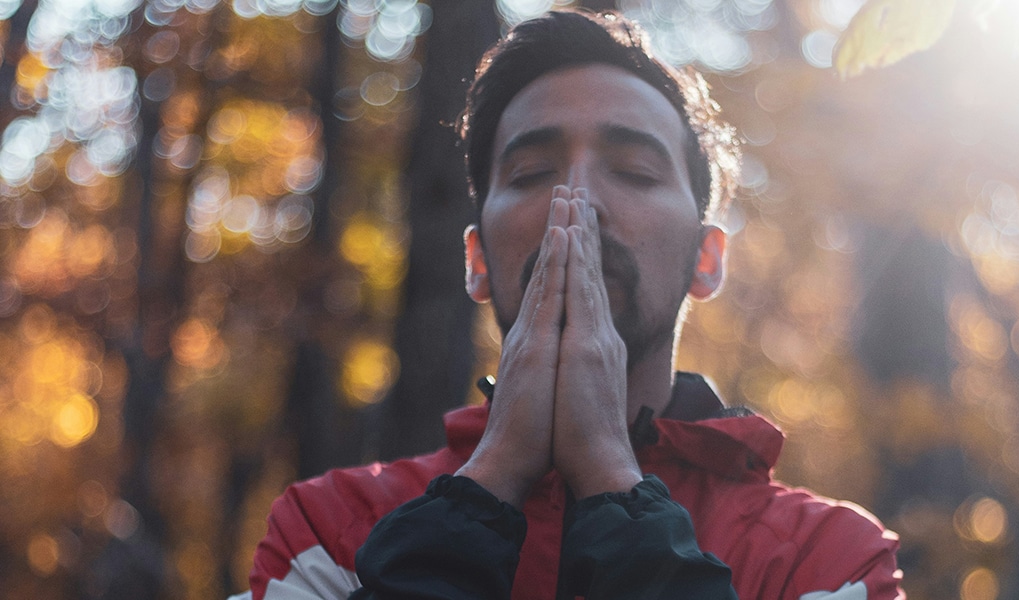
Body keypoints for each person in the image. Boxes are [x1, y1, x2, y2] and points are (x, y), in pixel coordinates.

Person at [246, 10, 904, 600]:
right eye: (532, 174)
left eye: (637, 172)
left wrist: (611, 480)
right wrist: (492, 479)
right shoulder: (329, 529)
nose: (579, 200)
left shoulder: (828, 556)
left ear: (707, 260)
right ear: (475, 261)